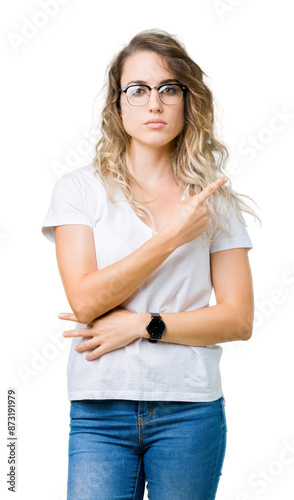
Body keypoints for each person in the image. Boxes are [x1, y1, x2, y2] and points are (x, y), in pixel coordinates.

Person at [41, 29, 259, 500]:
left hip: (190, 412)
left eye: (169, 88)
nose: (154, 103)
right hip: (101, 410)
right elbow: (85, 300)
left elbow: (238, 319)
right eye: (137, 90)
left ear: (187, 101)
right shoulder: (79, 190)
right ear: (117, 106)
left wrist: (144, 325)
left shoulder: (214, 203)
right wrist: (171, 237)